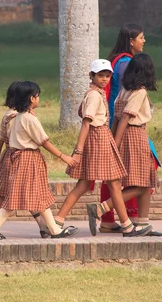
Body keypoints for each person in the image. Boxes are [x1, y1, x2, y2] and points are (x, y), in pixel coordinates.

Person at [0, 81, 79, 239]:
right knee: (15, 198)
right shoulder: (29, 119)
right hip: (27, 159)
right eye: (38, 96)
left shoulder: (19, 116)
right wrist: (63, 157)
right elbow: (44, 142)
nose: (39, 99)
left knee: (39, 195)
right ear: (32, 99)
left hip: (22, 158)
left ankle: (54, 229)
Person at [54, 59, 140, 236]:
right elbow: (86, 123)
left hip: (98, 138)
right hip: (99, 139)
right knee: (114, 182)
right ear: (91, 76)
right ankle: (127, 226)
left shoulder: (95, 93)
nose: (105, 79)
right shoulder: (94, 95)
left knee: (84, 184)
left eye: (108, 75)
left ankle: (57, 221)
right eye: (101, 75)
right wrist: (78, 151)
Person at [87, 53, 159, 236]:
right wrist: (115, 145)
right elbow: (126, 117)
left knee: (143, 181)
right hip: (135, 136)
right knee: (143, 183)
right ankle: (102, 208)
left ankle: (142, 223)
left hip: (125, 134)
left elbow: (117, 117)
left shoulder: (124, 89)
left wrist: (113, 139)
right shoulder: (140, 91)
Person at [0, 81, 50, 239]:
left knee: (12, 194)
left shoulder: (10, 115)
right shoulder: (16, 116)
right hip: (17, 157)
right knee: (23, 193)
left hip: (8, 156)